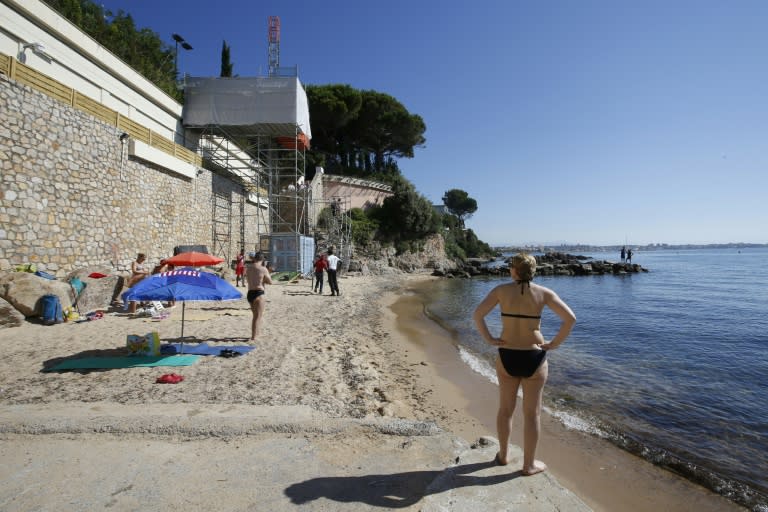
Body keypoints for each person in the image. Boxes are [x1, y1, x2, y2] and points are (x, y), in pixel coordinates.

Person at [473, 253, 576, 476]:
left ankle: (503, 455)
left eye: (511, 267)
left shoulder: (501, 290)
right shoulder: (544, 293)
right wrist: (554, 344)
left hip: (507, 355)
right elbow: (570, 319)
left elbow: (477, 315)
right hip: (534, 356)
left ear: (514, 270)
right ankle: (528, 465)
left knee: (505, 410)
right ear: (532, 270)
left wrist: (490, 339)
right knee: (532, 414)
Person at [245, 251, 273, 342]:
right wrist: (266, 277)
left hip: (250, 293)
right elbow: (270, 281)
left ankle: (256, 333)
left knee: (255, 316)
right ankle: (254, 336)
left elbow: (250, 279)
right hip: (259, 292)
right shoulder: (263, 269)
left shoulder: (248, 268)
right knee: (258, 316)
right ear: (262, 259)